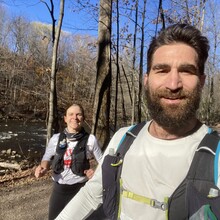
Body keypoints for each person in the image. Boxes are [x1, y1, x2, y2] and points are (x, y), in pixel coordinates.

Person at [55, 24, 220, 220]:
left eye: (186, 71)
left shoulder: (216, 156)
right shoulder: (123, 138)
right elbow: (91, 195)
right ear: (146, 79)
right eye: (162, 70)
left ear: (201, 82)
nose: (173, 84)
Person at [34, 103, 103, 220]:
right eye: (71, 114)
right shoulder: (55, 138)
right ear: (65, 119)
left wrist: (95, 173)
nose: (74, 118)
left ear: (83, 118)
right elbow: (46, 158)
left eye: (78, 114)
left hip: (81, 191)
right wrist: (42, 168)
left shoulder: (91, 140)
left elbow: (102, 162)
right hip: (59, 191)